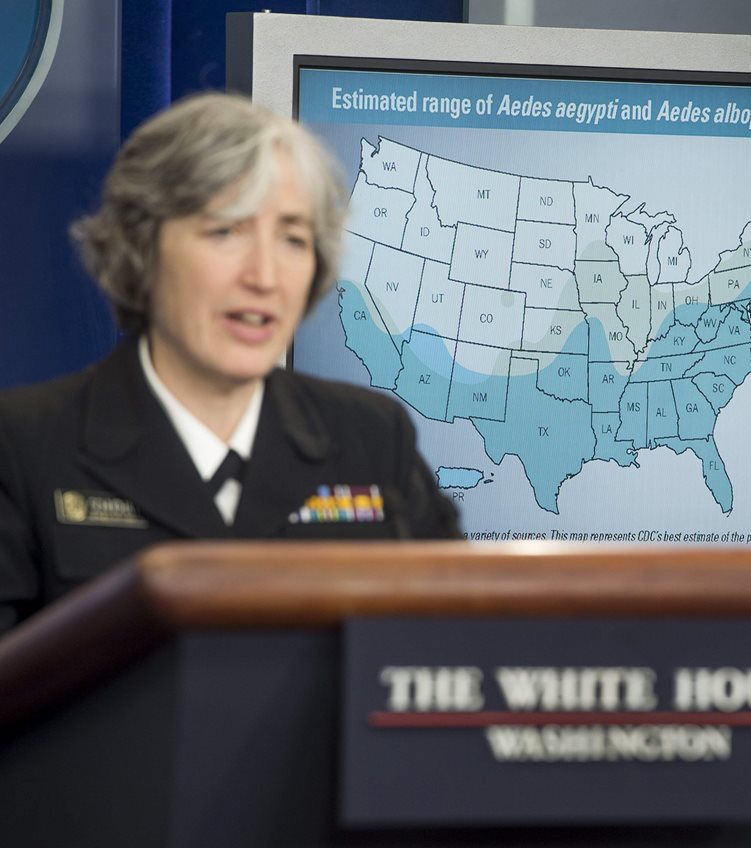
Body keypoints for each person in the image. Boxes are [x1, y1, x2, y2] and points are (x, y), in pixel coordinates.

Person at [0, 93, 459, 632]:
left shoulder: (374, 440)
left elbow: (459, 654)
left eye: (293, 238)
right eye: (226, 232)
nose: (264, 275)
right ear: (141, 249)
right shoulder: (22, 445)